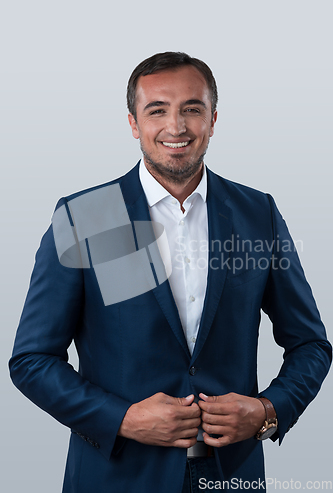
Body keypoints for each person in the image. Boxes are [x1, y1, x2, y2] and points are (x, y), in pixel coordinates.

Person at [9, 52, 331, 493]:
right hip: (116, 478)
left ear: (213, 120)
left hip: (230, 478)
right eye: (157, 110)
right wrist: (122, 419)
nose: (176, 127)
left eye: (191, 109)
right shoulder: (86, 217)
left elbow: (311, 343)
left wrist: (268, 411)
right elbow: (32, 360)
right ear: (133, 122)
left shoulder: (259, 214)